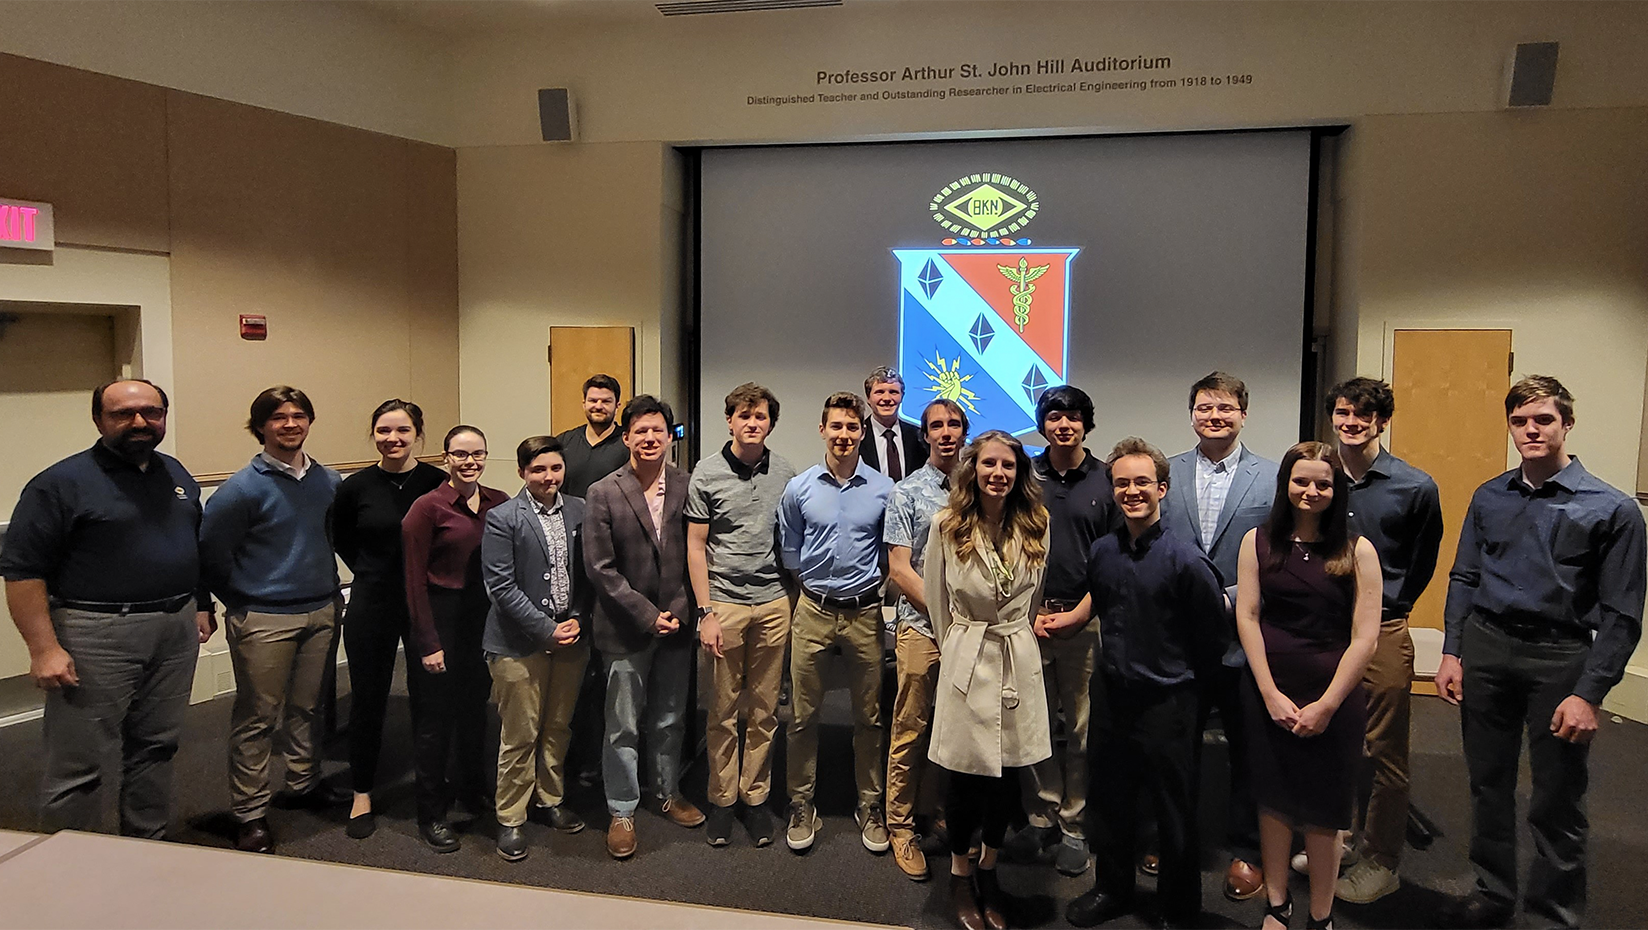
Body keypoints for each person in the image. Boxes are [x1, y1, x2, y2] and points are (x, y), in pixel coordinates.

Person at [1435, 376, 1645, 930]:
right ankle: (1493, 891)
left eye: (1543, 420)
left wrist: (1590, 693)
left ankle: (1552, 911)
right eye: (1520, 420)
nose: (1531, 430)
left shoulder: (1613, 509)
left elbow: (1623, 613)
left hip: (1560, 658)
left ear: (1567, 425)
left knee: (1557, 795)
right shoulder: (1489, 495)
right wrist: (1453, 651)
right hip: (1486, 647)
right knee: (1487, 782)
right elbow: (1464, 576)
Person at [1, 379, 214, 838]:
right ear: (99, 420)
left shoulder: (174, 474)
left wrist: (199, 604)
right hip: (96, 631)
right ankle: (69, 865)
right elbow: (21, 571)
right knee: (80, 763)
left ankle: (147, 844)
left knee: (157, 747)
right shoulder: (59, 484)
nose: (140, 422)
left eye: (151, 412)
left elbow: (189, 547)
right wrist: (43, 649)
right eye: (123, 413)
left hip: (174, 629)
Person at [1061, 438, 1229, 930]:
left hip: (1169, 701)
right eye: (1121, 483)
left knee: (1173, 809)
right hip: (1113, 695)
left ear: (1162, 488)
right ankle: (1112, 889)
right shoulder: (1102, 552)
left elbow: (1211, 640)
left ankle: (1179, 908)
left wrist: (1189, 696)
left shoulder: (1188, 562)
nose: (1131, 491)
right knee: (1110, 800)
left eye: (1141, 482)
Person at [1236, 442, 1381, 930]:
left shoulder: (1357, 550)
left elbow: (1365, 637)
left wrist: (1326, 705)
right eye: (1302, 480)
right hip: (1268, 690)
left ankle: (1321, 915)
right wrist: (1269, 692)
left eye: (1324, 483)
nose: (1311, 490)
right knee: (1273, 802)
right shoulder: (1257, 541)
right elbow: (1248, 615)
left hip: (1333, 695)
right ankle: (1277, 904)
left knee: (1325, 809)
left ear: (1337, 489)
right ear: (1285, 485)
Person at [200, 385, 345, 854]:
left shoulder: (329, 481)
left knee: (309, 708)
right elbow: (211, 555)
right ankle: (250, 813)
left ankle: (303, 785)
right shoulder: (241, 489)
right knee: (258, 717)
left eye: (299, 415)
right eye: (278, 417)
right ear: (260, 426)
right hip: (264, 617)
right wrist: (243, 599)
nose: (290, 424)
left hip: (322, 608)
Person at [1317, 378, 1443, 903]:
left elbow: (1424, 560)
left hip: (1384, 629)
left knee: (1382, 747)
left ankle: (1383, 859)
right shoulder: (1317, 477)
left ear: (1382, 422)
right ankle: (1341, 839)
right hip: (1321, 626)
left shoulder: (1415, 486)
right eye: (1343, 413)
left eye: (1363, 416)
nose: (1351, 423)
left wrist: (1390, 604)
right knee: (1331, 738)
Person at [924, 430, 1052, 930]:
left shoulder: (1037, 524)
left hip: (1016, 655)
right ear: (972, 469)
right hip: (968, 656)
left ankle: (990, 869)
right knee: (963, 776)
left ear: (1020, 473)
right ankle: (959, 874)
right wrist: (959, 650)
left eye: (1008, 466)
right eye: (989, 464)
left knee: (1008, 775)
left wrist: (1017, 639)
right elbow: (937, 603)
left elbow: (1035, 597)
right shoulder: (946, 525)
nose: (998, 473)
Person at [1159, 371, 1278, 899]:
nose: (1214, 416)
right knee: (1174, 746)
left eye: (1225, 408)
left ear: (1243, 414)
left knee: (1249, 750)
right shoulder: (1166, 472)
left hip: (1243, 637)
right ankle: (1172, 837)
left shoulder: (1274, 478)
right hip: (1176, 641)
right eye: (1205, 407)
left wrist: (1230, 594)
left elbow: (1279, 553)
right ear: (1191, 414)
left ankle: (1247, 851)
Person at [583, 395, 705, 859]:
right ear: (626, 436)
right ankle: (621, 808)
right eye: (641, 431)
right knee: (622, 724)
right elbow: (600, 568)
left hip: (675, 624)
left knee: (670, 719)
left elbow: (694, 553)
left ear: (669, 436)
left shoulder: (688, 485)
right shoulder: (603, 491)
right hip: (624, 628)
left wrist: (673, 610)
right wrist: (647, 615)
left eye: (658, 431)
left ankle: (667, 792)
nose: (650, 438)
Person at [778, 391, 895, 854]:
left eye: (852, 428)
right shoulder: (799, 488)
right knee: (803, 715)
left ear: (862, 433)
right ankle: (802, 802)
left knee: (869, 716)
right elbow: (790, 550)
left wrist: (872, 590)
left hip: (865, 614)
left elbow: (891, 556)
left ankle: (869, 804)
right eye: (836, 427)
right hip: (813, 611)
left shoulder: (884, 489)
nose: (843, 435)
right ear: (821, 429)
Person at [329, 399, 446, 839]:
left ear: (418, 433)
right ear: (373, 433)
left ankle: (430, 789)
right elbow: (341, 539)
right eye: (383, 430)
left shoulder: (438, 482)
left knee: (429, 698)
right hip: (373, 600)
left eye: (402, 430)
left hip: (428, 602)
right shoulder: (354, 487)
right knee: (368, 698)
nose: (393, 439)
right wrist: (372, 571)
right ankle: (362, 792)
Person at [687, 383, 798, 848]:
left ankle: (754, 799)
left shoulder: (788, 473)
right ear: (729, 420)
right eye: (743, 415)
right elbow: (695, 546)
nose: (752, 423)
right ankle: (722, 799)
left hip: (773, 604)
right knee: (723, 708)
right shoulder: (706, 473)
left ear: (771, 423)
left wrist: (789, 602)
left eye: (761, 417)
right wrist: (706, 612)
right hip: (725, 606)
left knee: (765, 710)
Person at [1015, 385, 1116, 876]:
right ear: (1042, 423)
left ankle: (1074, 824)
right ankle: (1041, 815)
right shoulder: (1021, 476)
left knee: (1079, 727)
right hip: (1025, 622)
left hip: (1084, 623)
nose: (1063, 425)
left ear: (1085, 423)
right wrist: (1023, 613)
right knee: (1032, 724)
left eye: (1073, 416)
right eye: (1054, 416)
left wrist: (1080, 613)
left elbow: (1116, 559)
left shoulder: (1107, 480)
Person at [481, 436, 592, 862]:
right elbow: (501, 587)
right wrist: (547, 630)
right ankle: (510, 816)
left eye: (555, 469)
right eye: (539, 470)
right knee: (520, 732)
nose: (549, 477)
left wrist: (577, 619)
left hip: (571, 636)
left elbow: (588, 574)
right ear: (523, 472)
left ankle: (549, 799)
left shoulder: (581, 510)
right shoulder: (502, 517)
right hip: (517, 642)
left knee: (557, 726)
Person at [401, 425, 509, 853]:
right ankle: (431, 812)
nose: (470, 461)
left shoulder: (498, 503)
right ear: (446, 458)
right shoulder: (426, 509)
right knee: (434, 722)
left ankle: (472, 788)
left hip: (481, 623)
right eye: (460, 454)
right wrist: (428, 642)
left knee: (474, 713)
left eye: (477, 454)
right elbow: (412, 582)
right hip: (440, 620)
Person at [883, 398, 969, 880]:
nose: (945, 432)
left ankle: (939, 810)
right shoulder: (907, 492)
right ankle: (899, 824)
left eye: (954, 424)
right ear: (925, 436)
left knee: (954, 730)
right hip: (922, 628)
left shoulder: (980, 488)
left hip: (972, 633)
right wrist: (945, 615)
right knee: (911, 726)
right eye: (936, 425)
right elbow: (899, 568)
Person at [556, 373, 627, 789]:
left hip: (615, 563)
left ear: (617, 405)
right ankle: (571, 754)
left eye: (606, 401)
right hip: (570, 562)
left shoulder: (626, 444)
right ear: (583, 402)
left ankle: (600, 758)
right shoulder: (564, 443)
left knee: (609, 671)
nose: (598, 406)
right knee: (574, 667)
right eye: (592, 400)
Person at [859, 366, 927, 481]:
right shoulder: (857, 436)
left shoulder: (919, 436)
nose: (887, 398)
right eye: (879, 392)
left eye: (893, 392)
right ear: (868, 398)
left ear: (902, 397)